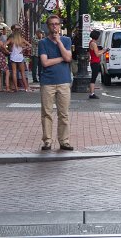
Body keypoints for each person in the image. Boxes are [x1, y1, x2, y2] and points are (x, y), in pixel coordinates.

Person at [38, 15, 74, 150]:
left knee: (63, 113)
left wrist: (59, 43)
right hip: (47, 82)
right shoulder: (43, 43)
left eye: (57, 24)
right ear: (48, 26)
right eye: (52, 24)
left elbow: (69, 58)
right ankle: (47, 140)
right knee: (47, 113)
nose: (54, 26)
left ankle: (64, 141)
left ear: (60, 26)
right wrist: (61, 59)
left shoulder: (66, 40)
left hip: (64, 81)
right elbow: (45, 63)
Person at [88, 29, 107, 99]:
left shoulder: (91, 42)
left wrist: (103, 50)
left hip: (93, 62)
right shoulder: (94, 43)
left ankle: (92, 93)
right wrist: (104, 51)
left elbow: (96, 52)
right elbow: (97, 54)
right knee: (93, 78)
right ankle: (92, 94)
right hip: (95, 62)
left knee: (94, 77)